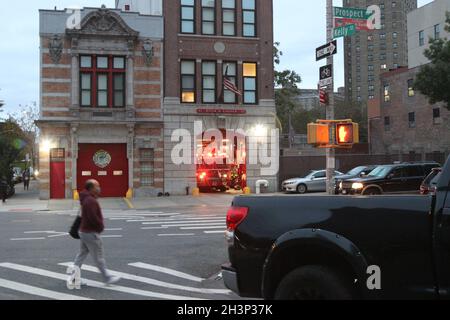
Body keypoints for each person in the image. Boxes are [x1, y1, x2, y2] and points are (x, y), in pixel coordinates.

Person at [71, 179, 120, 286]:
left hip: (84, 231)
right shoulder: (90, 201)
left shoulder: (86, 199)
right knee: (98, 257)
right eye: (97, 186)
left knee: (81, 255)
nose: (99, 188)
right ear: (91, 188)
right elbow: (93, 218)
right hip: (90, 232)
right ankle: (107, 278)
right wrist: (100, 227)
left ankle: (74, 278)